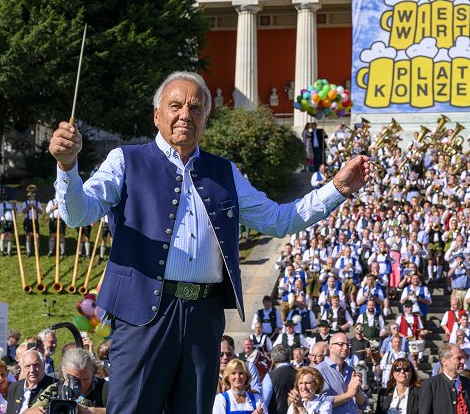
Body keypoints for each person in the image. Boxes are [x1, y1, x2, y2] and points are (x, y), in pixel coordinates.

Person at [49, 71, 369, 414]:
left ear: (206, 118)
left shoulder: (224, 172)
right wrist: (67, 167)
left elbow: (279, 220)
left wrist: (336, 189)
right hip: (143, 314)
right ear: (157, 114)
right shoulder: (125, 160)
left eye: (196, 107)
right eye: (175, 105)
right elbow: (78, 215)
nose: (185, 114)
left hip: (204, 317)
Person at [26, 348, 108, 414]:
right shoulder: (54, 389)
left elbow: (120, 410)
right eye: (75, 380)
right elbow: (28, 411)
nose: (81, 384)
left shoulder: (105, 389)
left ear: (92, 371)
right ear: (64, 375)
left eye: (86, 379)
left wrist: (89, 411)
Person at [315, 333, 367, 414]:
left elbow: (363, 404)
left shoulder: (351, 371)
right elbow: (319, 402)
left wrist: (356, 391)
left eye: (347, 345)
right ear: (330, 347)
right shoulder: (319, 371)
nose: (345, 348)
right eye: (341, 344)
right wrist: (349, 394)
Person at [418, 344, 470, 414]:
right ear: (444, 362)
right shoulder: (430, 385)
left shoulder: (468, 384)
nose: (463, 361)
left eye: (463, 358)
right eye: (458, 358)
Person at [5, 350, 56, 414]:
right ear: (22, 368)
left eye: (36, 365)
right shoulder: (14, 388)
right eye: (28, 366)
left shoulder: (55, 387)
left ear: (43, 365)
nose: (32, 370)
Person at [262, 345, 296, 414]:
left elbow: (264, 402)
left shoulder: (270, 375)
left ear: (272, 360)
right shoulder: (299, 374)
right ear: (289, 358)